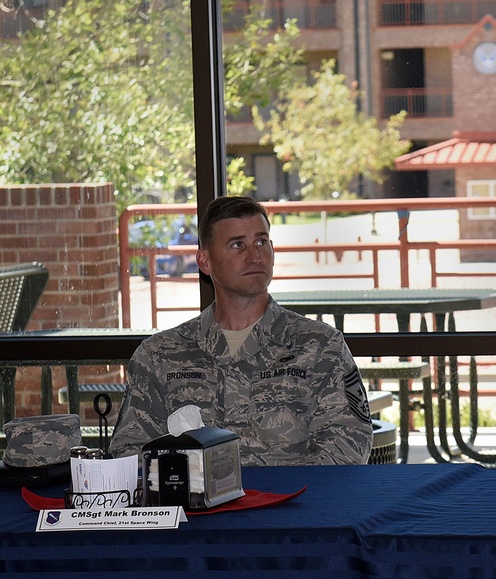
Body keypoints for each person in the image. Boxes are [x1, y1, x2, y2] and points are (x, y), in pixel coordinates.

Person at [110, 196, 373, 465]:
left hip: (291, 502)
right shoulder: (160, 355)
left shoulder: (320, 346)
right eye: (238, 245)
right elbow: (129, 451)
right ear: (205, 261)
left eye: (261, 242)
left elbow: (347, 443)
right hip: (195, 506)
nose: (254, 256)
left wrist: (285, 497)